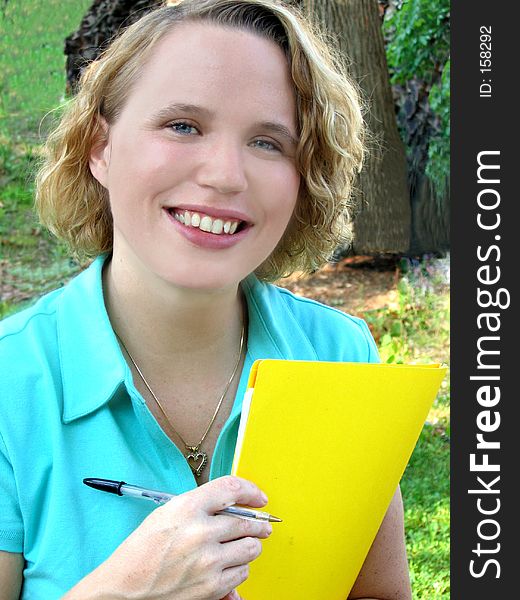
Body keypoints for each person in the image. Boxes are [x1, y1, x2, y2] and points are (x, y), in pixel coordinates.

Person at [0, 0, 412, 598]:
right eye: (183, 126)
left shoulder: (338, 352)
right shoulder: (10, 384)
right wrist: (128, 588)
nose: (225, 175)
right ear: (100, 147)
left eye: (270, 142)